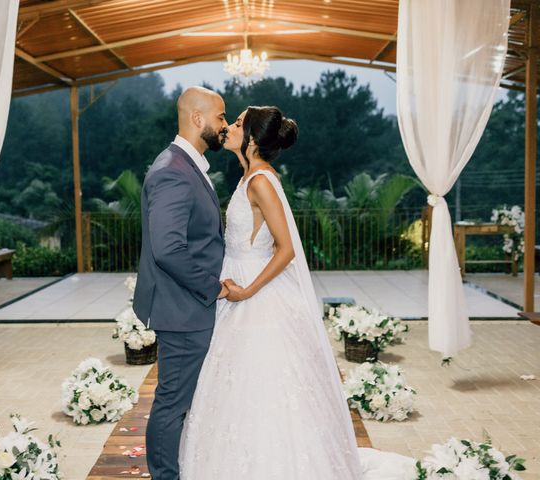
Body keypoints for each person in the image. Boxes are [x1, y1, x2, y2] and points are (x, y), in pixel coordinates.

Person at [178, 106, 415, 479]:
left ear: (253, 139)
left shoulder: (260, 181)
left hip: (256, 295)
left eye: (238, 124)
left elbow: (286, 249)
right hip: (236, 288)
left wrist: (249, 290)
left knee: (266, 385)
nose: (229, 128)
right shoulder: (247, 178)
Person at [132, 86, 230, 480]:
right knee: (172, 403)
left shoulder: (185, 166)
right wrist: (214, 287)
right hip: (185, 309)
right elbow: (168, 249)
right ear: (197, 119)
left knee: (185, 400)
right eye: (221, 117)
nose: (225, 125)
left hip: (189, 307)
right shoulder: (172, 172)